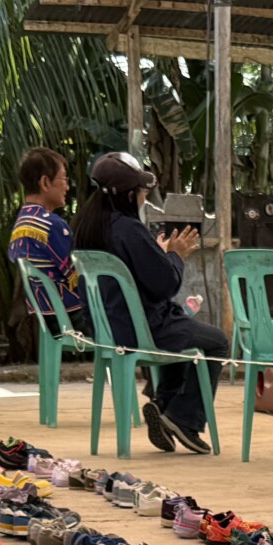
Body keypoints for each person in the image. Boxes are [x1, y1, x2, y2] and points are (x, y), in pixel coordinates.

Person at [74, 151, 225, 454]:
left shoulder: (86, 226)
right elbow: (164, 286)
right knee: (217, 341)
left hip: (107, 329)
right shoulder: (128, 228)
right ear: (130, 195)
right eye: (141, 191)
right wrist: (175, 256)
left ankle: (163, 404)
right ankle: (183, 418)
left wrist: (157, 253)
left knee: (184, 331)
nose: (144, 197)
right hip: (141, 329)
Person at [9, 145, 83, 325]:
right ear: (45, 183)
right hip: (69, 316)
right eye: (64, 179)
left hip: (42, 317)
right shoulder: (51, 225)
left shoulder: (21, 223)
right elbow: (77, 276)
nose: (67, 187)